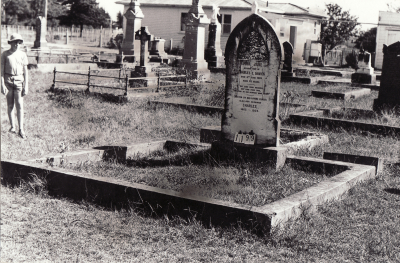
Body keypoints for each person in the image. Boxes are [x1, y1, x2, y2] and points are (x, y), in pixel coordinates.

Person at [1, 33, 29, 139]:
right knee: (10, 105)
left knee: (20, 105)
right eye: (14, 42)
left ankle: (21, 129)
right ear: (10, 43)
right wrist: (2, 84)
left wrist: (26, 86)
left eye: (18, 43)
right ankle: (12, 127)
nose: (16, 45)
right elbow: (1, 72)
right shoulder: (5, 54)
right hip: (8, 82)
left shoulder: (22, 55)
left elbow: (26, 72)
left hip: (19, 82)